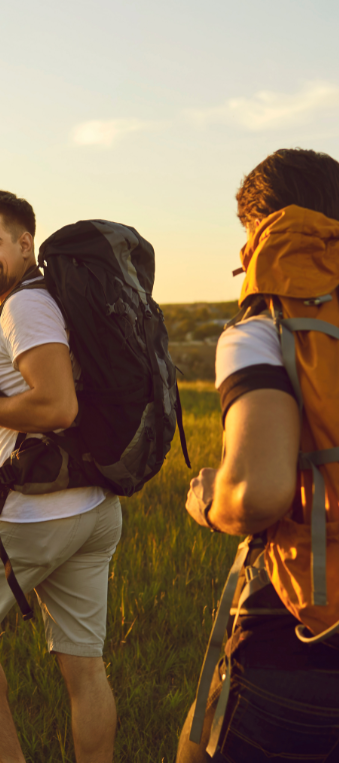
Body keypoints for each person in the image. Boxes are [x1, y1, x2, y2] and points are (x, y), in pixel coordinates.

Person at [0, 189, 123, 763]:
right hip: (93, 508)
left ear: (26, 244)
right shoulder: (51, 301)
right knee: (84, 664)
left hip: (33, 513)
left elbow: (58, 407)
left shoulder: (26, 307)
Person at [177, 149, 339, 762]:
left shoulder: (262, 326)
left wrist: (209, 499)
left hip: (302, 623)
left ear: (261, 233)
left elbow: (261, 493)